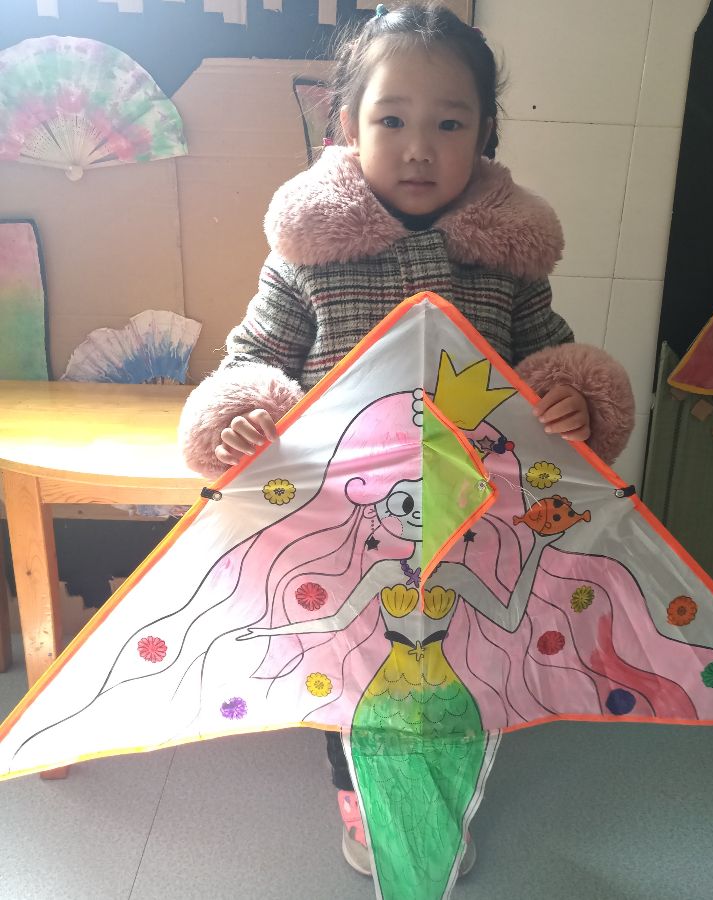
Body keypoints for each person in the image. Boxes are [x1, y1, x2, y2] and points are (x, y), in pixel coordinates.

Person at [178, 1, 635, 879]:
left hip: (471, 519)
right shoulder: (306, 255)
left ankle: (439, 796)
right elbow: (253, 358)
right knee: (352, 668)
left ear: (485, 134)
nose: (419, 147)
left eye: (448, 124)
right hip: (343, 519)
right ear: (347, 126)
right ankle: (363, 797)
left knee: (460, 665)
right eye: (392, 120)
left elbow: (547, 358)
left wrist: (572, 399)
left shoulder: (507, 262)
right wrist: (240, 413)